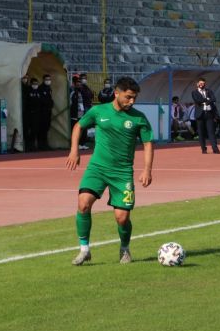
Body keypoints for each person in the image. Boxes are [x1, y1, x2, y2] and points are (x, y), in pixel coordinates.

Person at [66, 77, 154, 265]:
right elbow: (78, 126)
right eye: (128, 97)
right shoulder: (98, 111)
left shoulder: (138, 118)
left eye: (134, 98)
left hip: (122, 173)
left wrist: (147, 170)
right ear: (117, 93)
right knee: (83, 204)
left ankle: (124, 248)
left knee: (122, 218)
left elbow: (148, 143)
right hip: (97, 168)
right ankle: (84, 249)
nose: (132, 101)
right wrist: (74, 150)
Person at [191, 77, 220, 154]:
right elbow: (198, 101)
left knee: (211, 132)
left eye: (203, 83)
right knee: (201, 133)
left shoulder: (209, 91)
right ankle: (203, 149)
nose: (202, 85)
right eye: (200, 83)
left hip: (209, 114)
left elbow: (214, 99)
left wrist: (206, 100)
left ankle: (215, 149)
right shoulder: (194, 92)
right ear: (197, 84)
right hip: (200, 115)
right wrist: (207, 100)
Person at [69, 76, 88, 150]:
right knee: (75, 130)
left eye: (80, 83)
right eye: (77, 83)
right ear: (74, 84)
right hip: (75, 115)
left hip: (82, 114)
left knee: (83, 129)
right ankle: (75, 144)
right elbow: (70, 103)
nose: (79, 84)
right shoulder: (72, 92)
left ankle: (82, 143)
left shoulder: (82, 92)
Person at [37, 74, 54, 150]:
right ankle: (41, 145)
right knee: (42, 128)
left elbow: (50, 99)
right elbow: (41, 100)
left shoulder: (49, 88)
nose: (48, 81)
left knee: (46, 127)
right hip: (42, 111)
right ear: (43, 80)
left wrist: (51, 104)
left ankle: (45, 144)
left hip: (48, 110)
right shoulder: (41, 88)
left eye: (49, 79)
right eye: (47, 79)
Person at [26, 78, 43, 151]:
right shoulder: (28, 91)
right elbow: (28, 102)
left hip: (38, 113)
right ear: (31, 84)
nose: (35, 85)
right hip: (31, 113)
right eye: (34, 84)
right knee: (31, 131)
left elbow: (41, 101)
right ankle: (30, 146)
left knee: (37, 130)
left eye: (37, 84)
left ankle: (38, 145)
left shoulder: (39, 92)